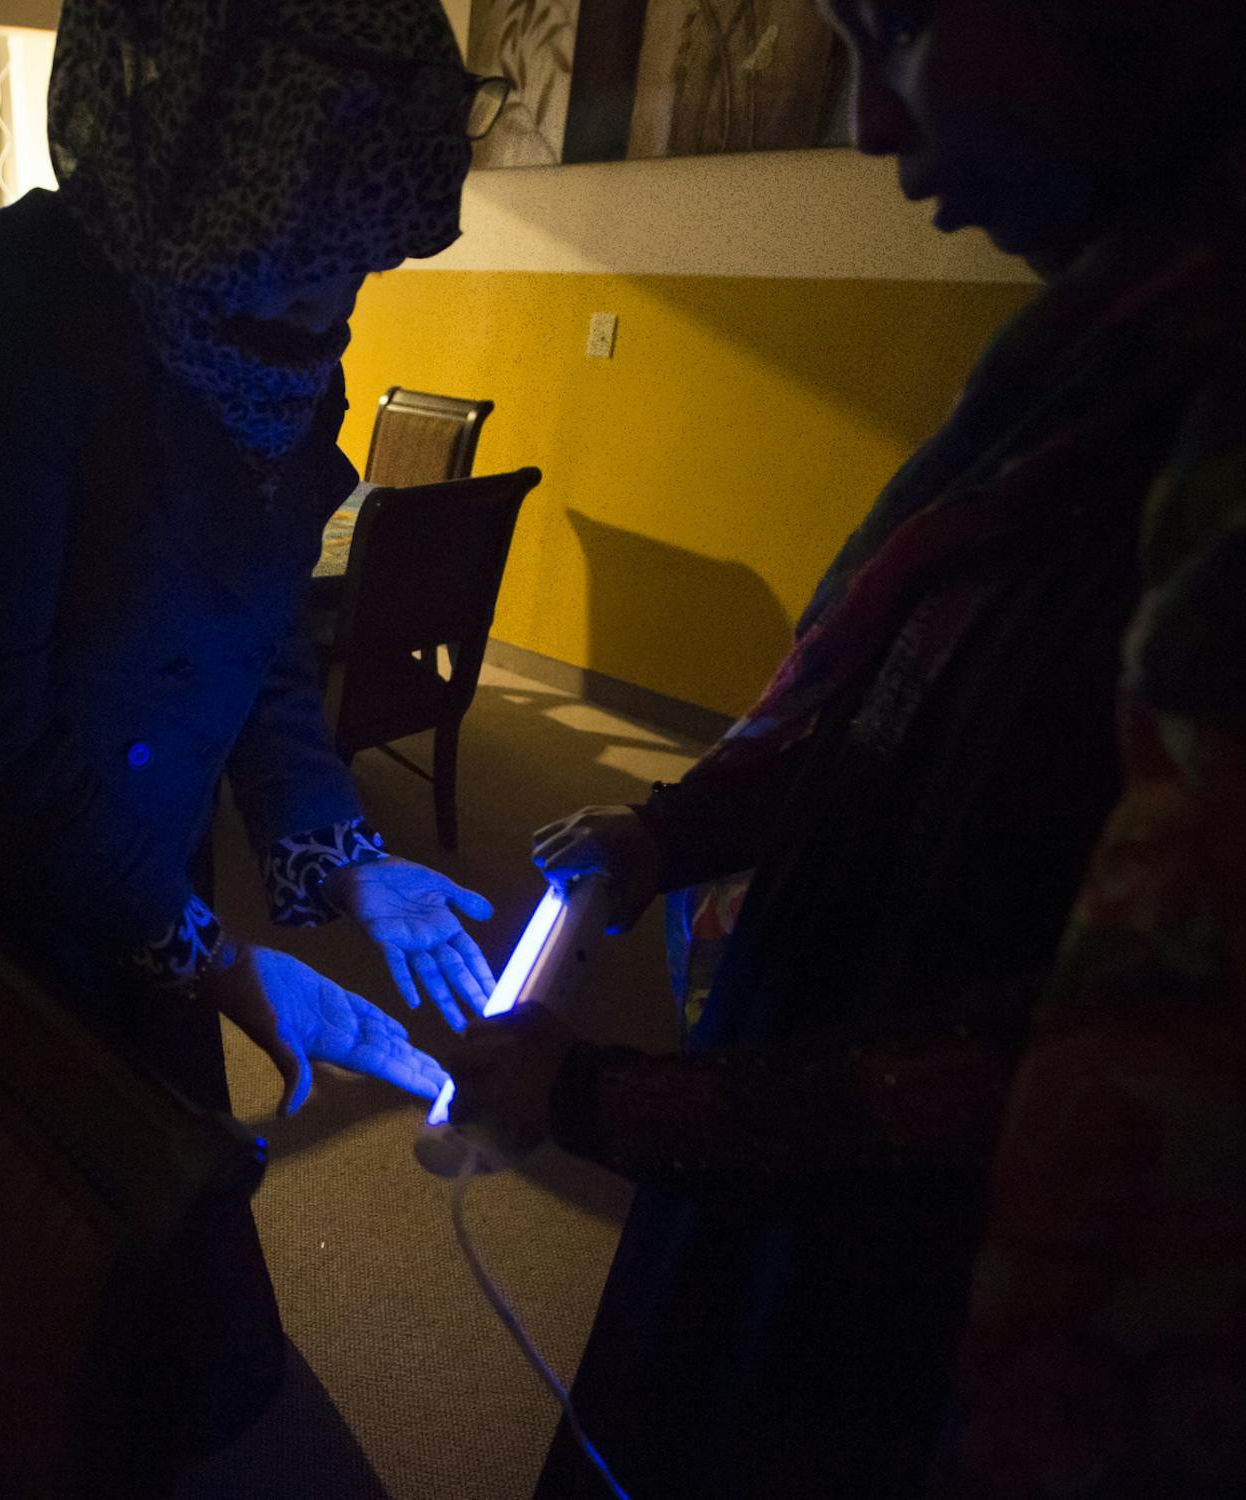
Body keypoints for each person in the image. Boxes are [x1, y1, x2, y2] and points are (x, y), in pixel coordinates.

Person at [445, 1, 1246, 1496]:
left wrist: (606, 1102)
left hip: (946, 1279)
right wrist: (671, 830)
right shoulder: (1082, 376)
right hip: (789, 1163)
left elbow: (1107, 1071)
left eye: (901, 29)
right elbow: (887, 715)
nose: (872, 123)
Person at [0, 0, 501, 1453]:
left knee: (156, 1152)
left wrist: (335, 849)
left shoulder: (279, 351)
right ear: (189, 167)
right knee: (0, 1166)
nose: (336, 295)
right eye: (306, 242)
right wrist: (215, 957)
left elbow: (261, 640)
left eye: (359, 251)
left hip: (122, 801)